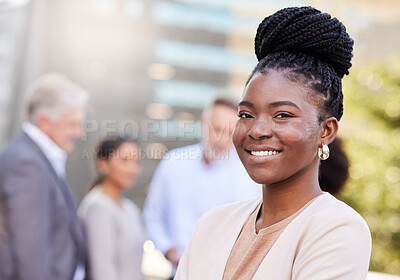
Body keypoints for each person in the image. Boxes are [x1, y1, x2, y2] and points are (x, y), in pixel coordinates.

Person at [175, 7, 371, 280]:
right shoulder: (212, 223)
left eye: (282, 115)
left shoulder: (337, 228)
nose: (256, 130)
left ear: (326, 130)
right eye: (246, 114)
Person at [143, 97, 261, 276]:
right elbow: (153, 214)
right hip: (177, 272)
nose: (221, 140)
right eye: (218, 129)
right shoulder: (173, 163)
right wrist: (168, 249)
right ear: (204, 124)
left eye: (230, 132)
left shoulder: (249, 175)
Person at [0, 73, 88, 280]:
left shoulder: (36, 158)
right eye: (72, 124)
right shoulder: (27, 164)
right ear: (44, 121)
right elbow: (31, 250)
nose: (79, 133)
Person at [78, 136, 146, 280]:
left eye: (136, 162)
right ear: (103, 163)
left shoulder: (130, 209)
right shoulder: (98, 207)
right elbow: (102, 271)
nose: (132, 169)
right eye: (125, 160)